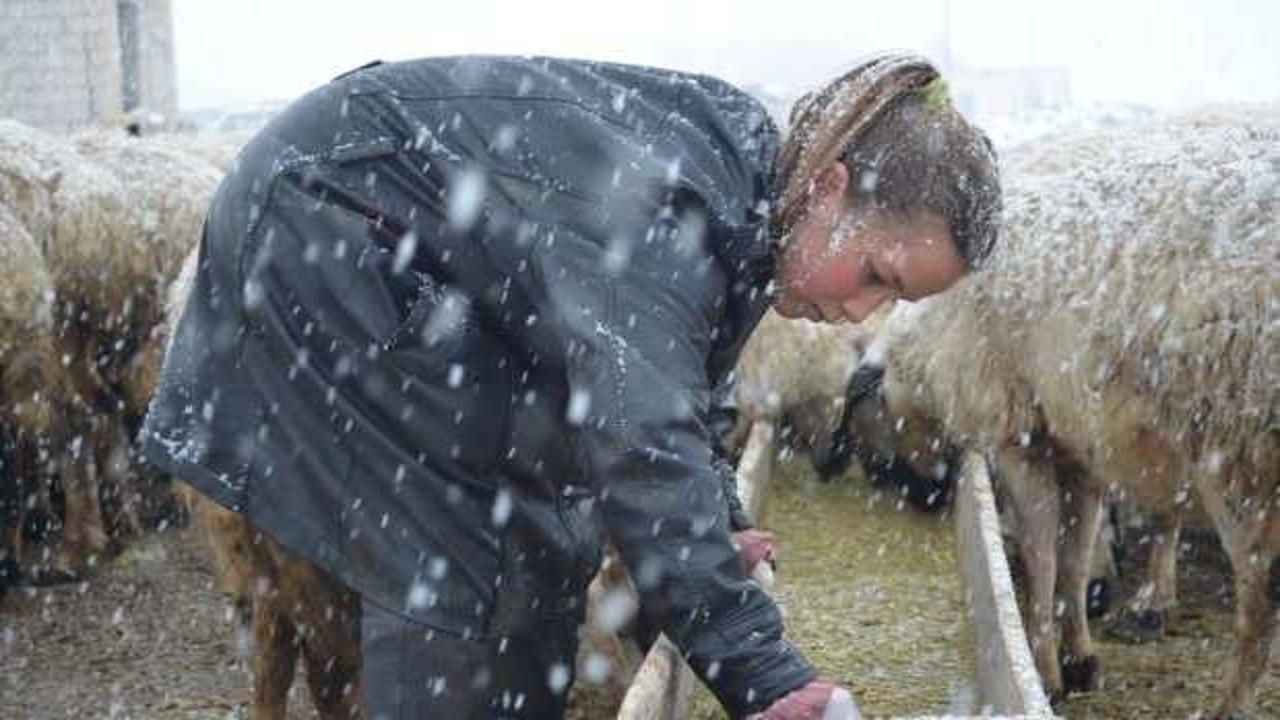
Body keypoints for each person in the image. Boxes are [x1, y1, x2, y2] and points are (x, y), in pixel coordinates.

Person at [141, 51, 999, 719]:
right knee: (452, 547)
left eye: (894, 300)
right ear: (833, 188)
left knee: (542, 534)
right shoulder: (675, 207)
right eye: (877, 275)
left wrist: (719, 523)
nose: (861, 315)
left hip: (385, 244)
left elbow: (682, 385)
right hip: (323, 232)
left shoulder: (749, 194)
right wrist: (770, 678)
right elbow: (642, 439)